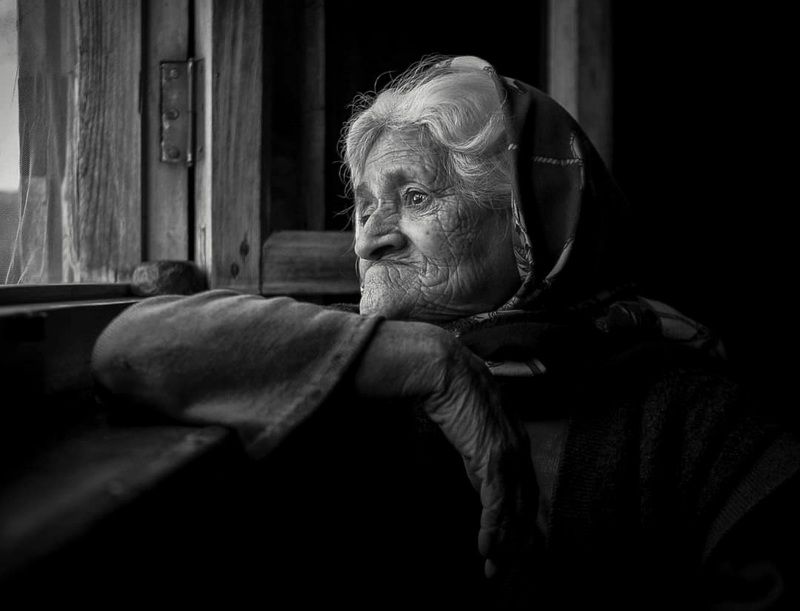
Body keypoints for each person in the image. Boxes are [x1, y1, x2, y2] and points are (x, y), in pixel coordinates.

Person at [92, 56, 799, 609]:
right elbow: (129, 351)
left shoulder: (687, 413)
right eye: (363, 206)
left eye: (415, 196)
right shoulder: (337, 359)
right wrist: (433, 362)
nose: (367, 240)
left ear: (534, 223)